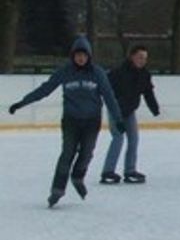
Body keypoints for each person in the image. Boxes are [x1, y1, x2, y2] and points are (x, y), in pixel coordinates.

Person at [9, 36, 126, 208]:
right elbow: (45, 89)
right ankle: (57, 189)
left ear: (89, 56)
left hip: (92, 121)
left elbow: (109, 97)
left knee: (87, 153)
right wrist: (22, 103)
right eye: (78, 55)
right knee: (67, 154)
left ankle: (78, 176)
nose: (81, 58)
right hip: (71, 120)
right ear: (72, 56)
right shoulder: (65, 72)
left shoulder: (97, 73)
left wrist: (118, 119)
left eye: (84, 55)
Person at [100, 43, 160, 184]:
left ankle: (129, 171)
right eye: (140, 57)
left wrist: (155, 109)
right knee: (118, 138)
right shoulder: (118, 72)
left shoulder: (144, 74)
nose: (142, 61)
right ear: (132, 57)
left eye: (145, 58)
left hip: (130, 111)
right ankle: (108, 171)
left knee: (133, 140)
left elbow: (148, 92)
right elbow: (106, 90)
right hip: (116, 111)